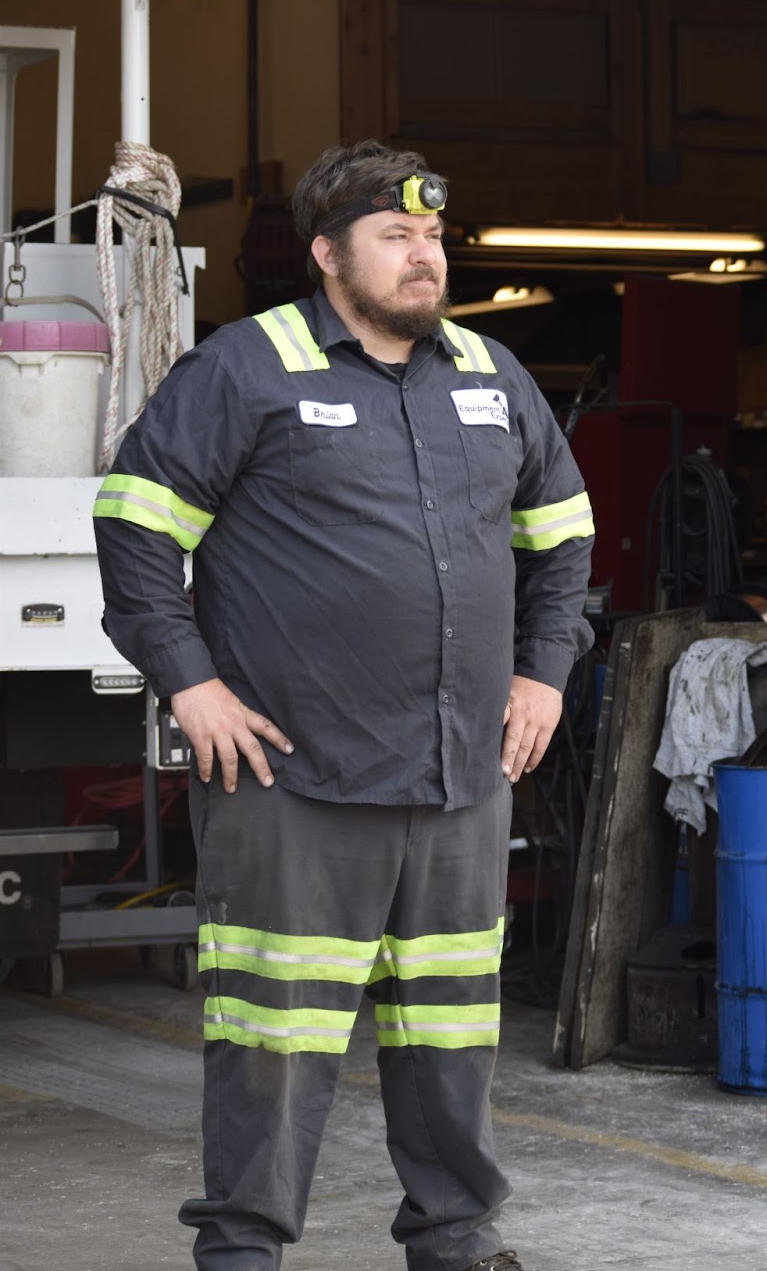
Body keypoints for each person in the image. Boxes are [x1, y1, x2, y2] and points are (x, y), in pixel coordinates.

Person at [93, 140, 595, 1271]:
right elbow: (132, 524)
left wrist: (543, 671)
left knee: (452, 1037)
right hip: (293, 780)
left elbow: (561, 536)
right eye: (394, 239)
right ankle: (244, 1251)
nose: (425, 259)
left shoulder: (489, 372)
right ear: (328, 255)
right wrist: (193, 682)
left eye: (433, 239)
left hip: (459, 774)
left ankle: (456, 1239)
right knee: (273, 1043)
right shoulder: (245, 368)